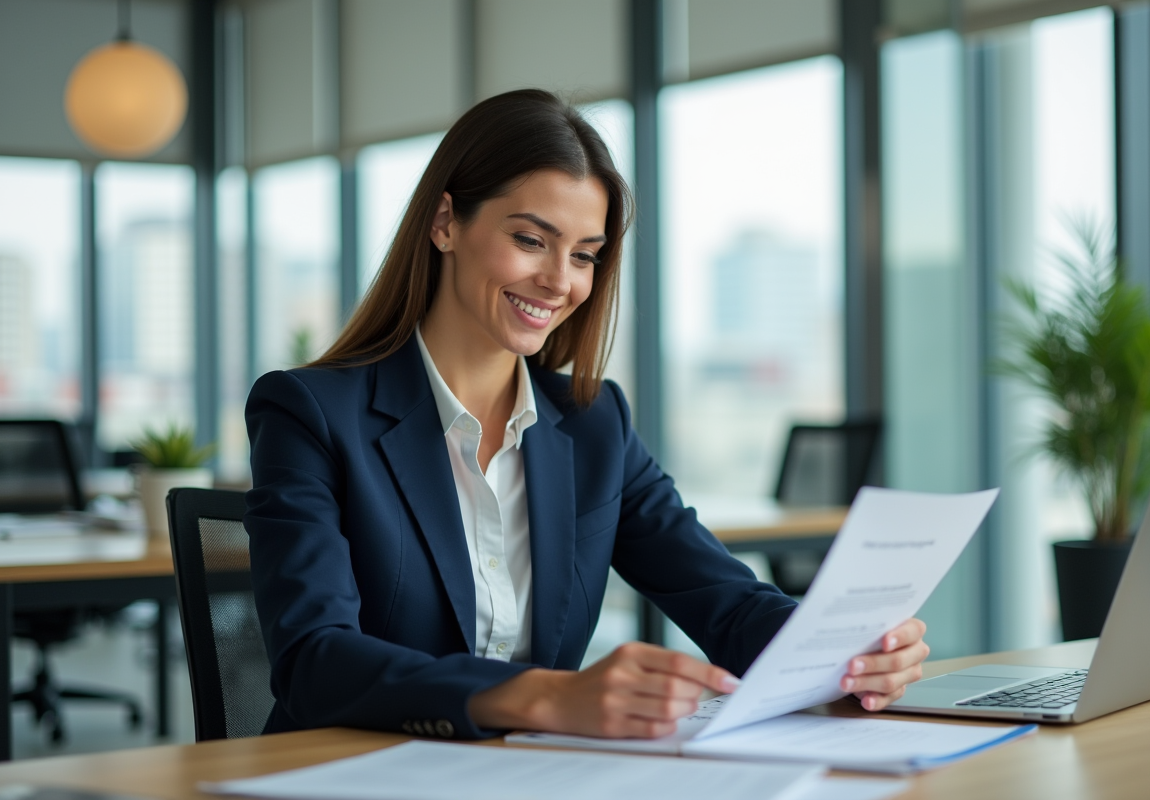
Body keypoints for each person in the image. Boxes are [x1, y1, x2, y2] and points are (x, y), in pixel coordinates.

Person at [244, 89, 929, 741]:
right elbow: (314, 660)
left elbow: (725, 601)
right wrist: (543, 696)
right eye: (531, 239)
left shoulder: (593, 423)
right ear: (446, 222)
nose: (559, 280)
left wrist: (843, 649)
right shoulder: (310, 412)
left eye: (584, 256)